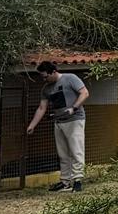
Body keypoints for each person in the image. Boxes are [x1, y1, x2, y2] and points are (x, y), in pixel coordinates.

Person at [26, 59, 89, 192]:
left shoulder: (70, 78)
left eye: (45, 76)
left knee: (76, 150)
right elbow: (42, 108)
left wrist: (74, 108)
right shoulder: (46, 89)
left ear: (53, 72)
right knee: (63, 153)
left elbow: (84, 93)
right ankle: (65, 181)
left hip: (74, 120)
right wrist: (32, 125)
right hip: (59, 122)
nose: (44, 79)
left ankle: (77, 180)